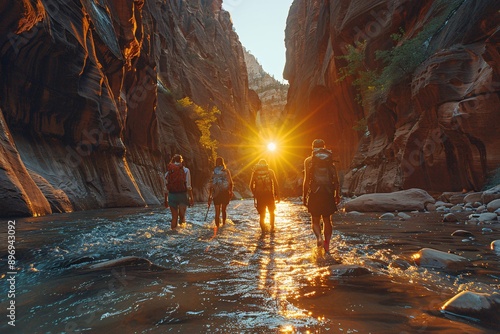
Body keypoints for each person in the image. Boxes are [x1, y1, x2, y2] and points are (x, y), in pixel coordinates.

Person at [303, 139, 340, 253]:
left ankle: (319, 237)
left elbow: (306, 180)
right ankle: (327, 244)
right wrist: (337, 194)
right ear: (324, 146)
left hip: (315, 192)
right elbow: (336, 179)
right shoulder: (329, 159)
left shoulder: (309, 160)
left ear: (312, 147)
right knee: (327, 220)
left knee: (315, 220)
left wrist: (304, 196)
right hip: (328, 192)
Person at [249, 159, 280, 233]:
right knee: (271, 212)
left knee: (262, 215)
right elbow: (275, 184)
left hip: (260, 196)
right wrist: (278, 195)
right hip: (269, 195)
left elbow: (250, 186)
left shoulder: (255, 173)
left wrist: (255, 194)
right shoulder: (270, 172)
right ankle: (272, 228)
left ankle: (263, 231)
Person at [164, 154, 194, 229]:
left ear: (173, 161)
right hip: (182, 195)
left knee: (174, 217)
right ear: (181, 161)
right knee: (182, 216)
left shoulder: (168, 172)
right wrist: (191, 197)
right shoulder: (186, 170)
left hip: (171, 196)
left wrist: (165, 200)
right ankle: (182, 235)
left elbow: (166, 188)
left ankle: (173, 234)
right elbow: (188, 186)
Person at [208, 157, 234, 228]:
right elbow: (230, 183)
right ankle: (224, 224)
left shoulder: (213, 171)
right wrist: (231, 191)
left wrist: (210, 195)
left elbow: (211, 184)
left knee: (217, 212)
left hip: (216, 193)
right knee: (224, 210)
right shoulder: (226, 171)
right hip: (225, 192)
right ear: (223, 163)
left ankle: (217, 227)